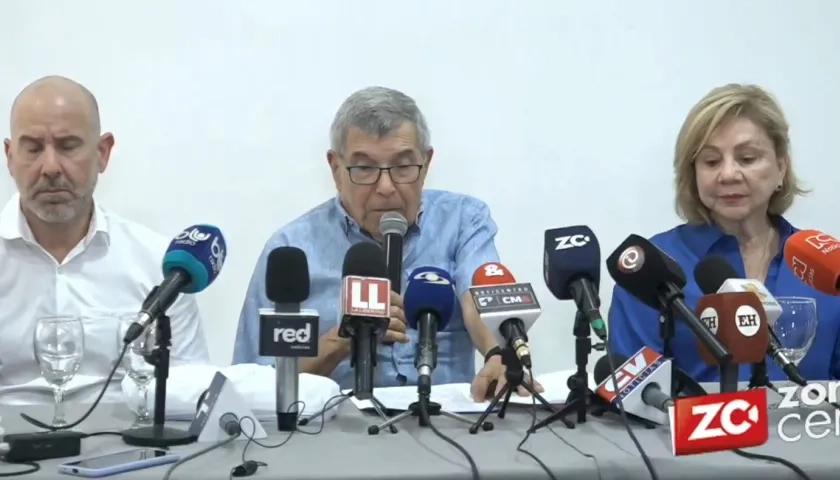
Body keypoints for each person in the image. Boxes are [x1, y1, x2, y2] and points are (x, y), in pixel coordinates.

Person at [233, 86, 542, 401]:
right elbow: (252, 386)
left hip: (446, 427)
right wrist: (341, 340)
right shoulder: (291, 250)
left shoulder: (463, 220)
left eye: (403, 167)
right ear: (335, 168)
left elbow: (478, 296)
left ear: (427, 163)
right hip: (336, 433)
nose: (385, 187)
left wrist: (496, 353)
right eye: (364, 168)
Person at [607, 83, 840, 382]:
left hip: (812, 427)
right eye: (711, 161)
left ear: (781, 167)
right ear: (693, 174)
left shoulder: (825, 265)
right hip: (682, 429)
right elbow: (634, 396)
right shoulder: (650, 268)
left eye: (747, 158)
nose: (728, 174)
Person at [1, 76, 209, 404]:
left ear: (102, 153)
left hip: (122, 446)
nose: (51, 167)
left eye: (68, 146)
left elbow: (188, 394)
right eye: (33, 148)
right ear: (10, 157)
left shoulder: (161, 266)